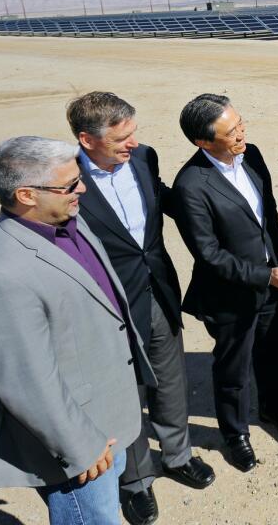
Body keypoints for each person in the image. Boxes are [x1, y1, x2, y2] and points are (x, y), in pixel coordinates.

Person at [0, 136, 150, 525]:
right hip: (79, 445)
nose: (82, 189)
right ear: (27, 195)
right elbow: (26, 381)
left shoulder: (65, 221)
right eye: (68, 185)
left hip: (109, 417)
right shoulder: (1, 275)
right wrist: (81, 445)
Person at [68, 92, 214, 525]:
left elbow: (167, 200)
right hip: (109, 306)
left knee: (170, 380)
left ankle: (178, 454)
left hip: (158, 290)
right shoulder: (62, 176)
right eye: (121, 139)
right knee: (124, 396)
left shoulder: (145, 157)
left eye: (133, 134)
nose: (132, 144)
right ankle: (135, 480)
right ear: (86, 140)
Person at [174, 93, 278, 473]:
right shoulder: (191, 185)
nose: (241, 133)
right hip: (231, 296)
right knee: (233, 368)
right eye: (231, 131)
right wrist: (266, 275)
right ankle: (235, 434)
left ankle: (273, 407)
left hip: (275, 282)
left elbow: (270, 217)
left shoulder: (255, 155)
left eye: (240, 124)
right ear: (203, 142)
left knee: (273, 349)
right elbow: (209, 254)